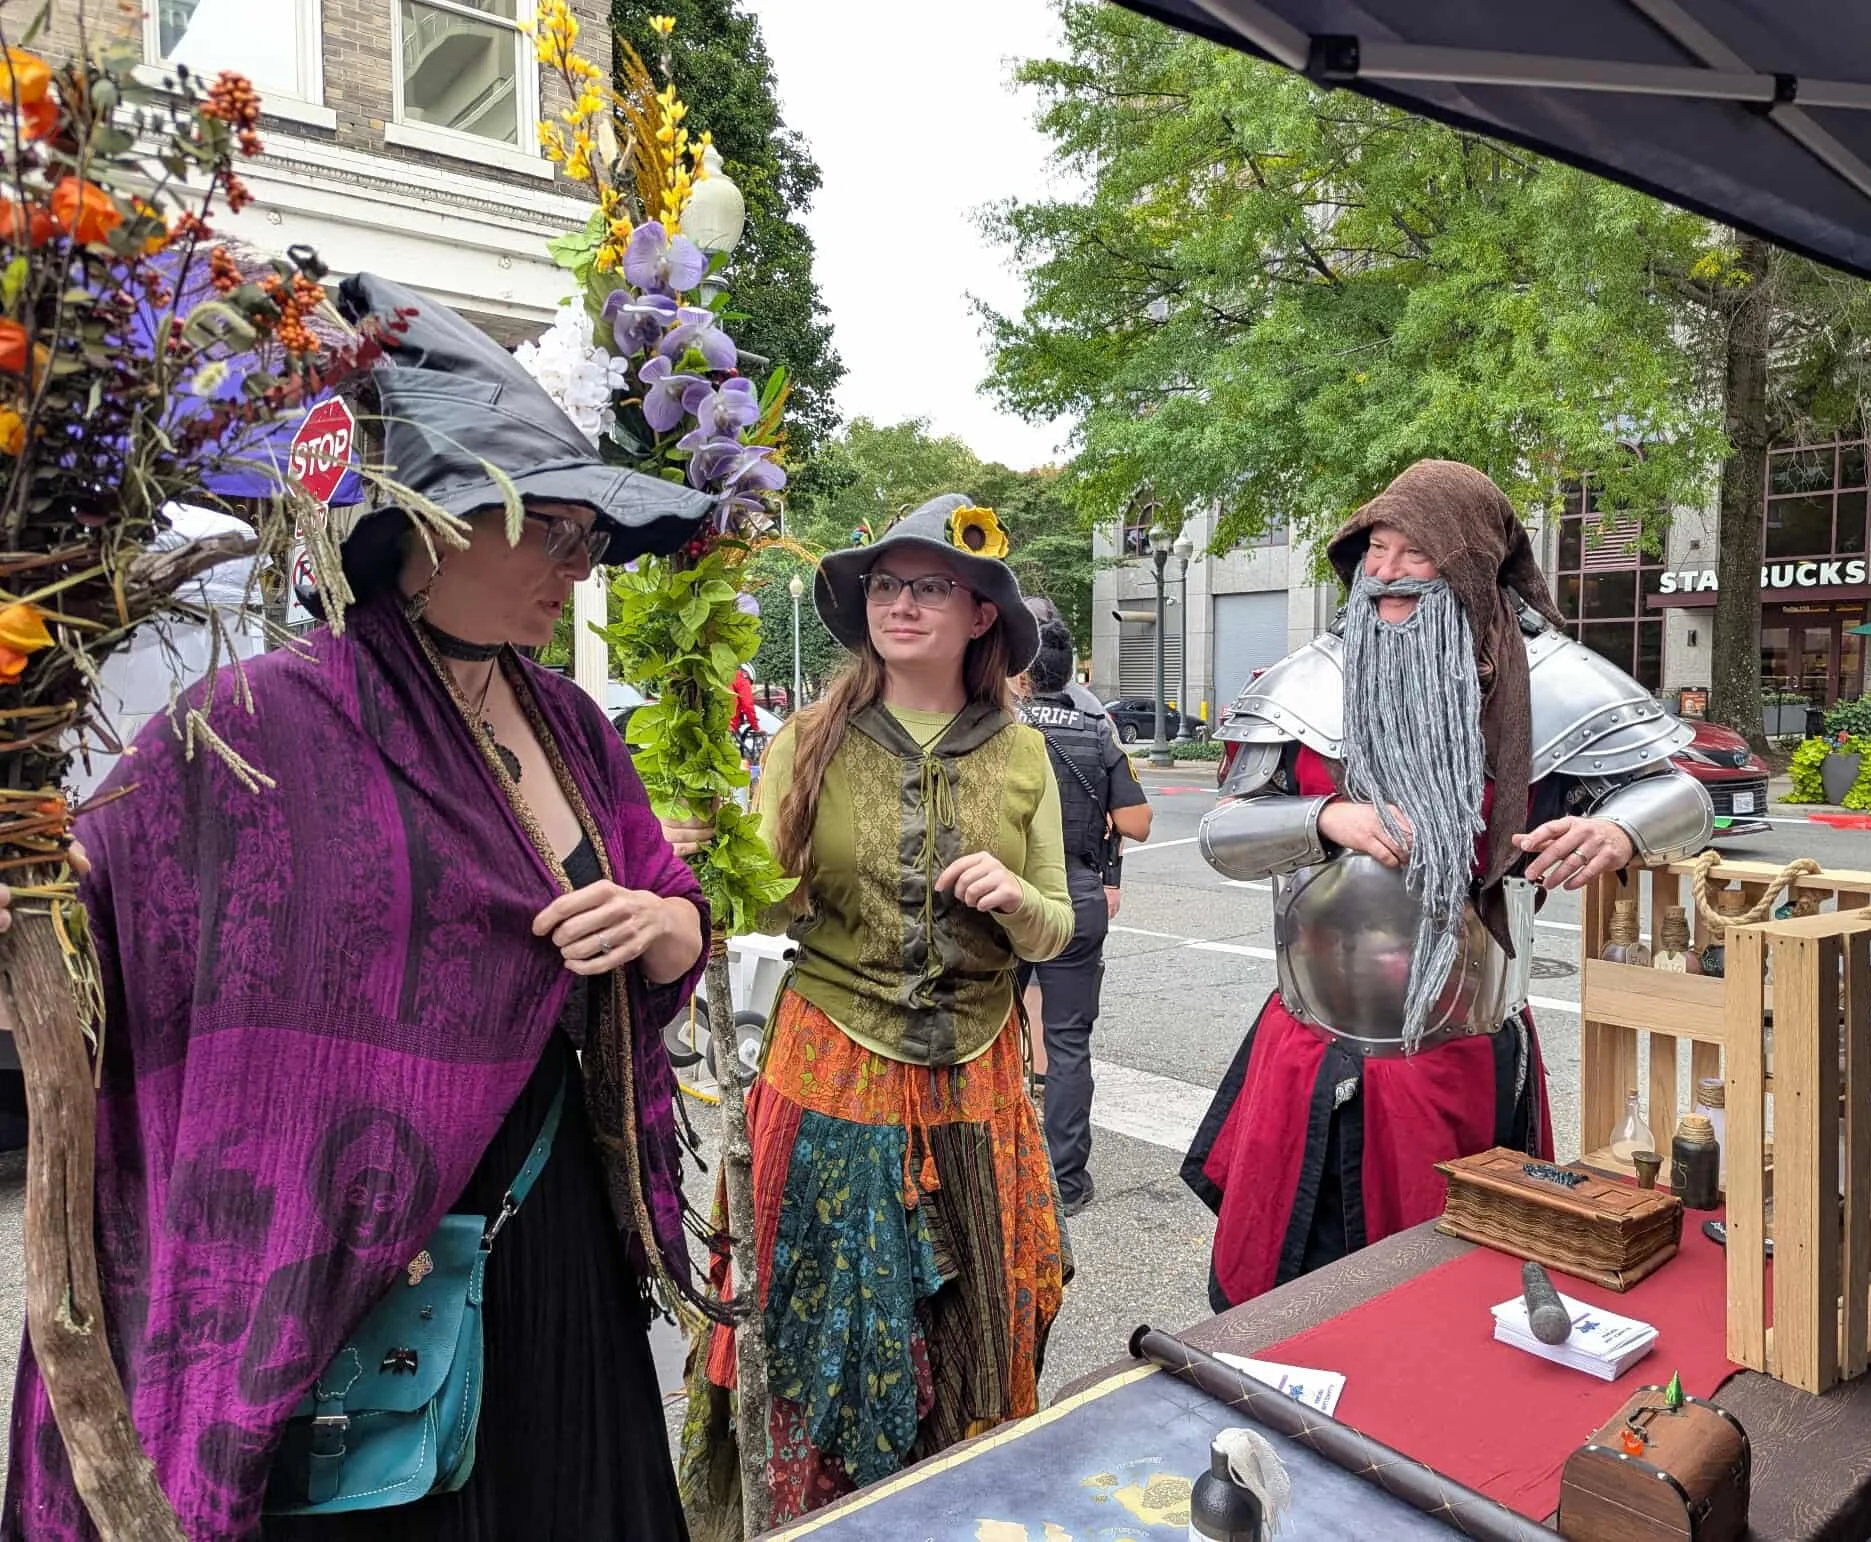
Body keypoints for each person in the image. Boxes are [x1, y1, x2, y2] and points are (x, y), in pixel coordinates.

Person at [3, 274, 722, 1542]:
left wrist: (658, 930)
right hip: (364, 1255)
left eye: (588, 538)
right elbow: (82, 891)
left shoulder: (567, 724)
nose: (579, 565)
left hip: (551, 1231)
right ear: (430, 529)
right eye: (549, 530)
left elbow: (671, 900)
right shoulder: (266, 714)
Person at [1184, 461, 1715, 1312]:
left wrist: (1616, 829)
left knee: (1444, 1296)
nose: (1386, 572)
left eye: (1415, 553)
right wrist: (1325, 819)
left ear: (1471, 563)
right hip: (1316, 1045)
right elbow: (1223, 834)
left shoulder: (1555, 685)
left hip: (1462, 1049)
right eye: (1375, 551)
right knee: (1287, 1299)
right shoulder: (1306, 681)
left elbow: (1686, 797)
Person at [677, 494, 1074, 1531]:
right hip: (830, 1067)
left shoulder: (1021, 752)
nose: (901, 604)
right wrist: (711, 857)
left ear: (979, 612)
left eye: (929, 586)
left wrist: (1017, 897)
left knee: (969, 1325)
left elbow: (1057, 929)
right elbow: (757, 902)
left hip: (974, 1074)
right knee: (819, 1337)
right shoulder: (810, 737)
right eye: (886, 585)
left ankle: (946, 1511)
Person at [1013, 600, 1151, 1213]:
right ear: (1070, 673)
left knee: (988, 1030)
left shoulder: (998, 729)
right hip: (1076, 893)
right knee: (1068, 1043)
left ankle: (989, 1169)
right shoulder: (1096, 731)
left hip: (1000, 894)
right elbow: (1138, 823)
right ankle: (1065, 1181)